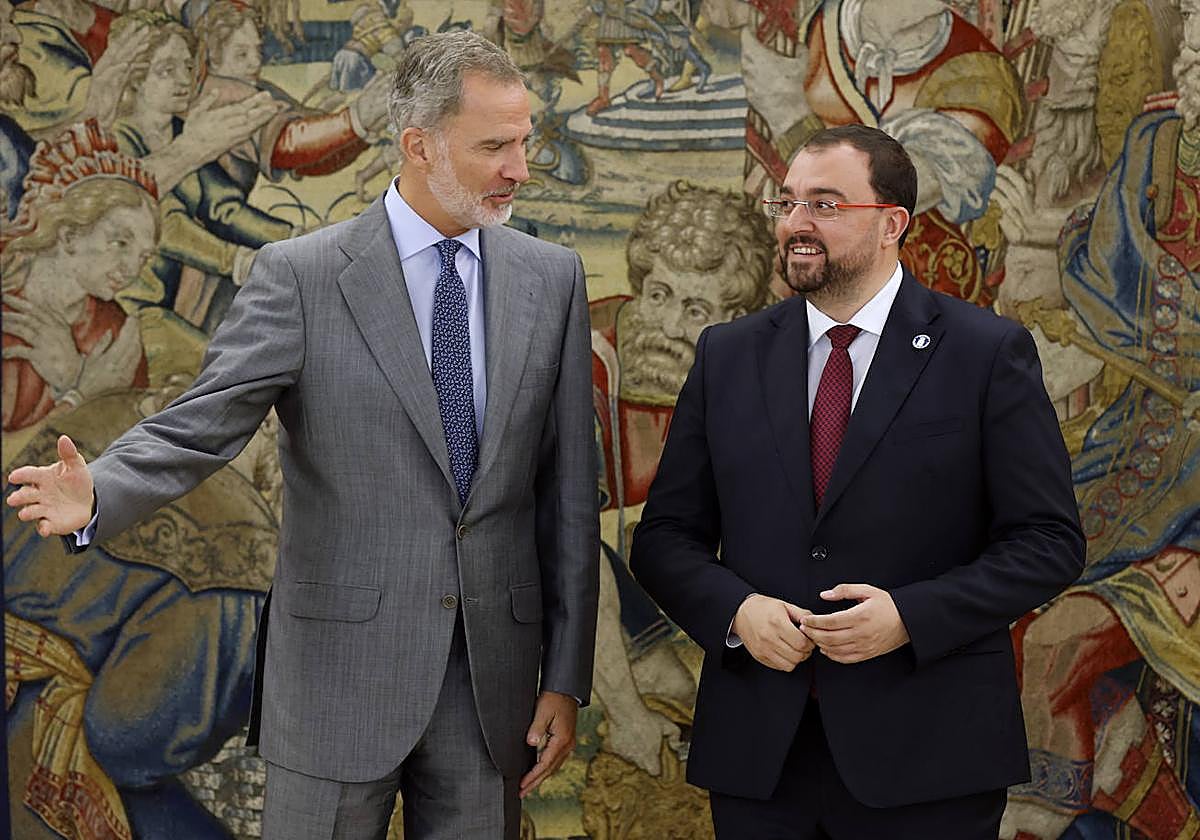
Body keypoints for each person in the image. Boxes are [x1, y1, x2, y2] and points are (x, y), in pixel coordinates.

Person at [6, 28, 599, 840]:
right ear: (418, 146)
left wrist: (564, 675)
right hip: (334, 687)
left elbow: (566, 497)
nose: (520, 169)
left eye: (523, 142)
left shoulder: (553, 276)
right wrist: (102, 490)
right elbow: (200, 425)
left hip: (489, 693)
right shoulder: (301, 277)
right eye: (494, 146)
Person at [629, 123, 1085, 839]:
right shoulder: (728, 355)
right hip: (760, 759)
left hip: (929, 757)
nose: (797, 224)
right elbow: (664, 539)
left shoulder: (985, 354)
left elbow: (1049, 542)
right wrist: (738, 612)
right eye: (789, 203)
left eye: (826, 204)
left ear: (892, 224)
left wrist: (910, 616)